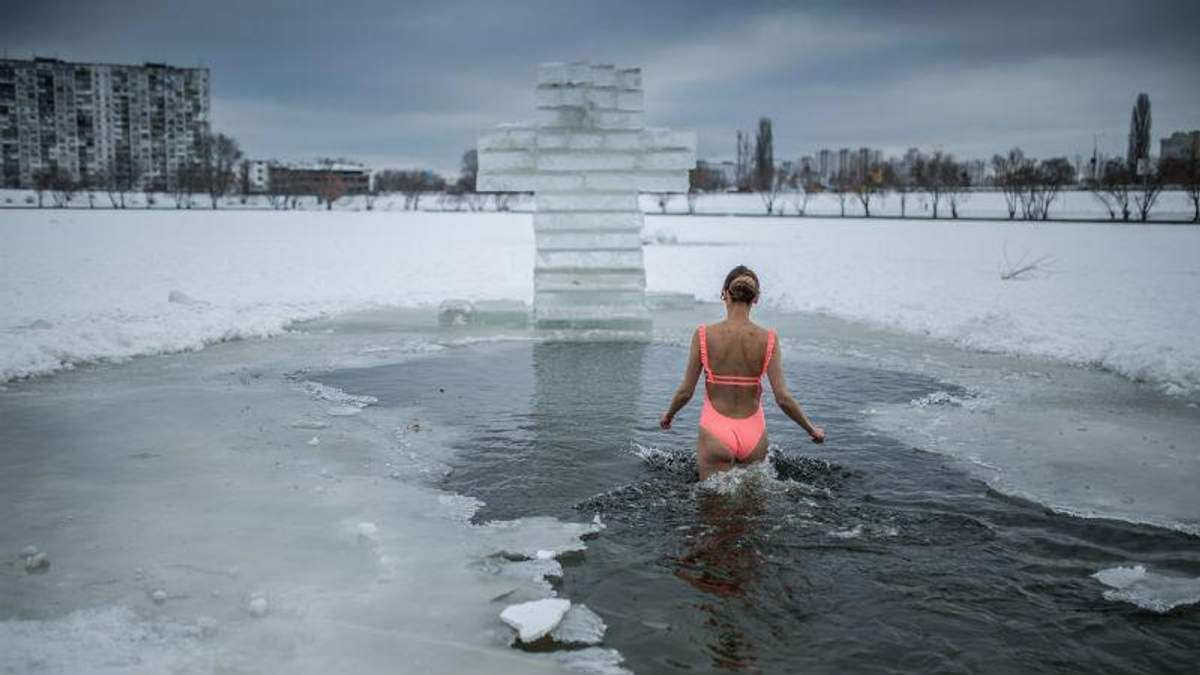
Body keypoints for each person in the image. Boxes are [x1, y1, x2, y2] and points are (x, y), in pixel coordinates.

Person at [660, 265, 825, 479]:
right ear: (755, 299)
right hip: (754, 434)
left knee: (712, 507)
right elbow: (783, 398)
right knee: (752, 508)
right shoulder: (769, 339)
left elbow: (685, 392)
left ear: (724, 293)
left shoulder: (703, 335)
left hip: (715, 433)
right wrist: (812, 429)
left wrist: (669, 415)